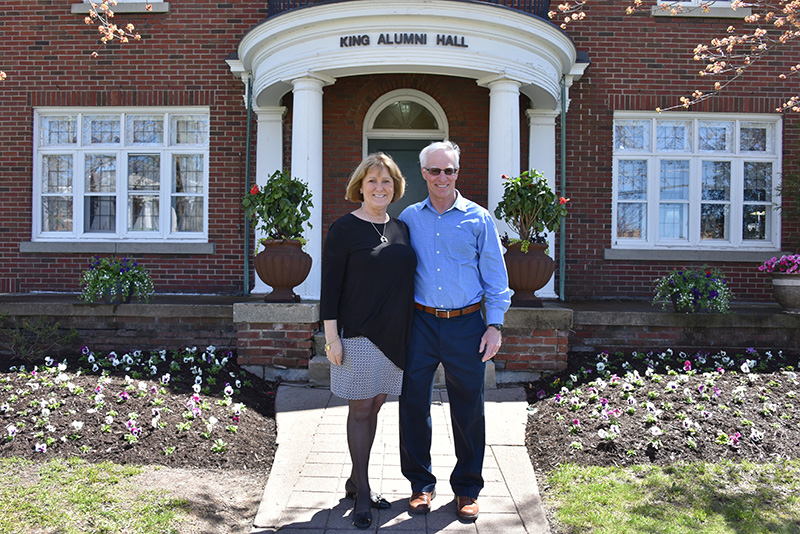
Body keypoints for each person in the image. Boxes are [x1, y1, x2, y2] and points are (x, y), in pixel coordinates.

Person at [398, 140, 511, 522]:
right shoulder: (409, 218)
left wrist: (494, 325)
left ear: (457, 173)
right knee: (413, 404)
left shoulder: (479, 218)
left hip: (467, 324)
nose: (442, 177)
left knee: (469, 409)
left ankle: (466, 489)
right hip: (421, 323)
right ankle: (420, 485)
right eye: (434, 170)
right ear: (423, 173)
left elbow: (496, 278)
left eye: (449, 170)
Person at [320, 152, 417, 530]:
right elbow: (330, 287)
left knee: (375, 406)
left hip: (395, 333)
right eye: (373, 181)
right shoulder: (344, 228)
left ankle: (353, 478)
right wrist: (332, 339)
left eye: (387, 181)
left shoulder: (401, 229)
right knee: (360, 410)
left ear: (396, 187)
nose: (380, 187)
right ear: (360, 186)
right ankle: (362, 492)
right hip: (358, 334)